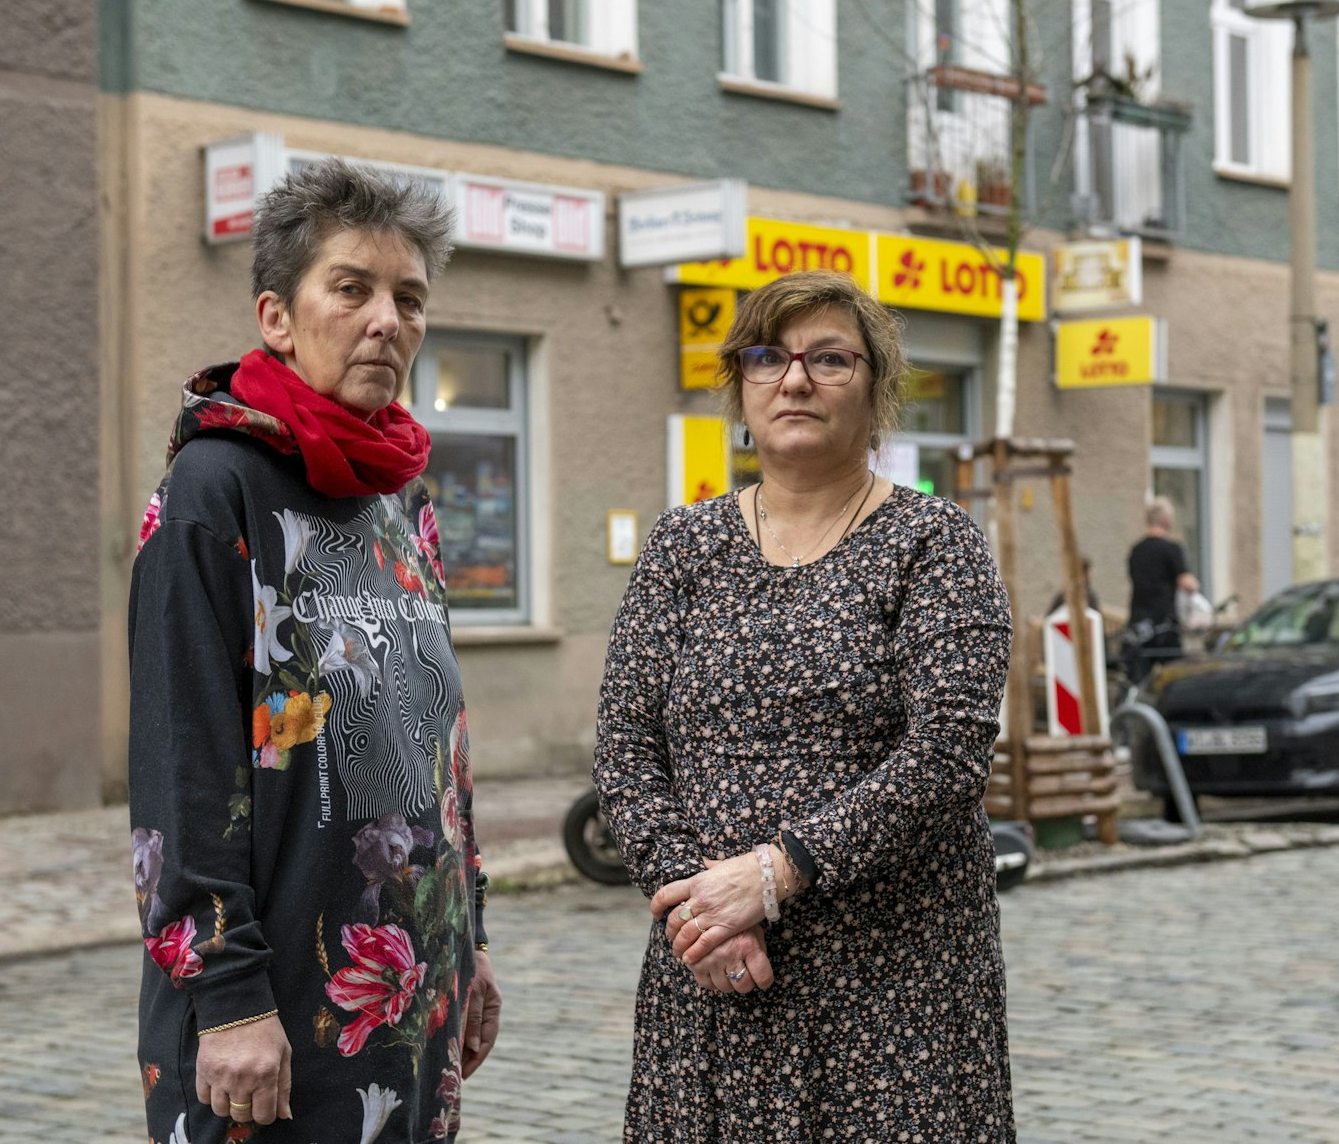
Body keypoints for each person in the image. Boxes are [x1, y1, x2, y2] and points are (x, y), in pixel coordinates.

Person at [593, 269, 1017, 1142]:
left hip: (894, 993)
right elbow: (625, 741)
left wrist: (776, 874)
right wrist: (698, 912)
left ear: (877, 391)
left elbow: (950, 749)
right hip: (716, 978)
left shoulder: (934, 544)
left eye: (829, 358)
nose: (794, 380)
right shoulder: (684, 546)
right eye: (768, 358)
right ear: (741, 388)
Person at [127, 159, 501, 1143]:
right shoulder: (215, 487)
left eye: (408, 298)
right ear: (278, 316)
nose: (387, 318)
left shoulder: (400, 501)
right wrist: (229, 992)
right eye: (352, 287)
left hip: (403, 997)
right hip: (270, 1010)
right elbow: (183, 763)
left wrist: (468, 939)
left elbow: (433, 738)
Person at [1127, 497, 1200, 675]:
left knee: (1139, 679)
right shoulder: (1171, 549)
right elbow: (1187, 583)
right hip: (1164, 626)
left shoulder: (1136, 550)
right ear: (1167, 520)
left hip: (1139, 624)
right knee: (1174, 676)